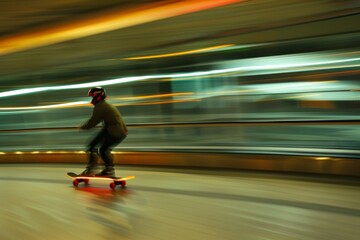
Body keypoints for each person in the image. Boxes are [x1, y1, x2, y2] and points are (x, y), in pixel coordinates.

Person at [79, 87, 128, 177]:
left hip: (113, 130)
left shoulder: (101, 106)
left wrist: (83, 127)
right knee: (103, 150)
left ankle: (92, 168)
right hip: (119, 131)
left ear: (98, 96)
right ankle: (109, 170)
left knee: (92, 146)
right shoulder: (104, 105)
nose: (92, 99)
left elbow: (93, 122)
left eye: (93, 96)